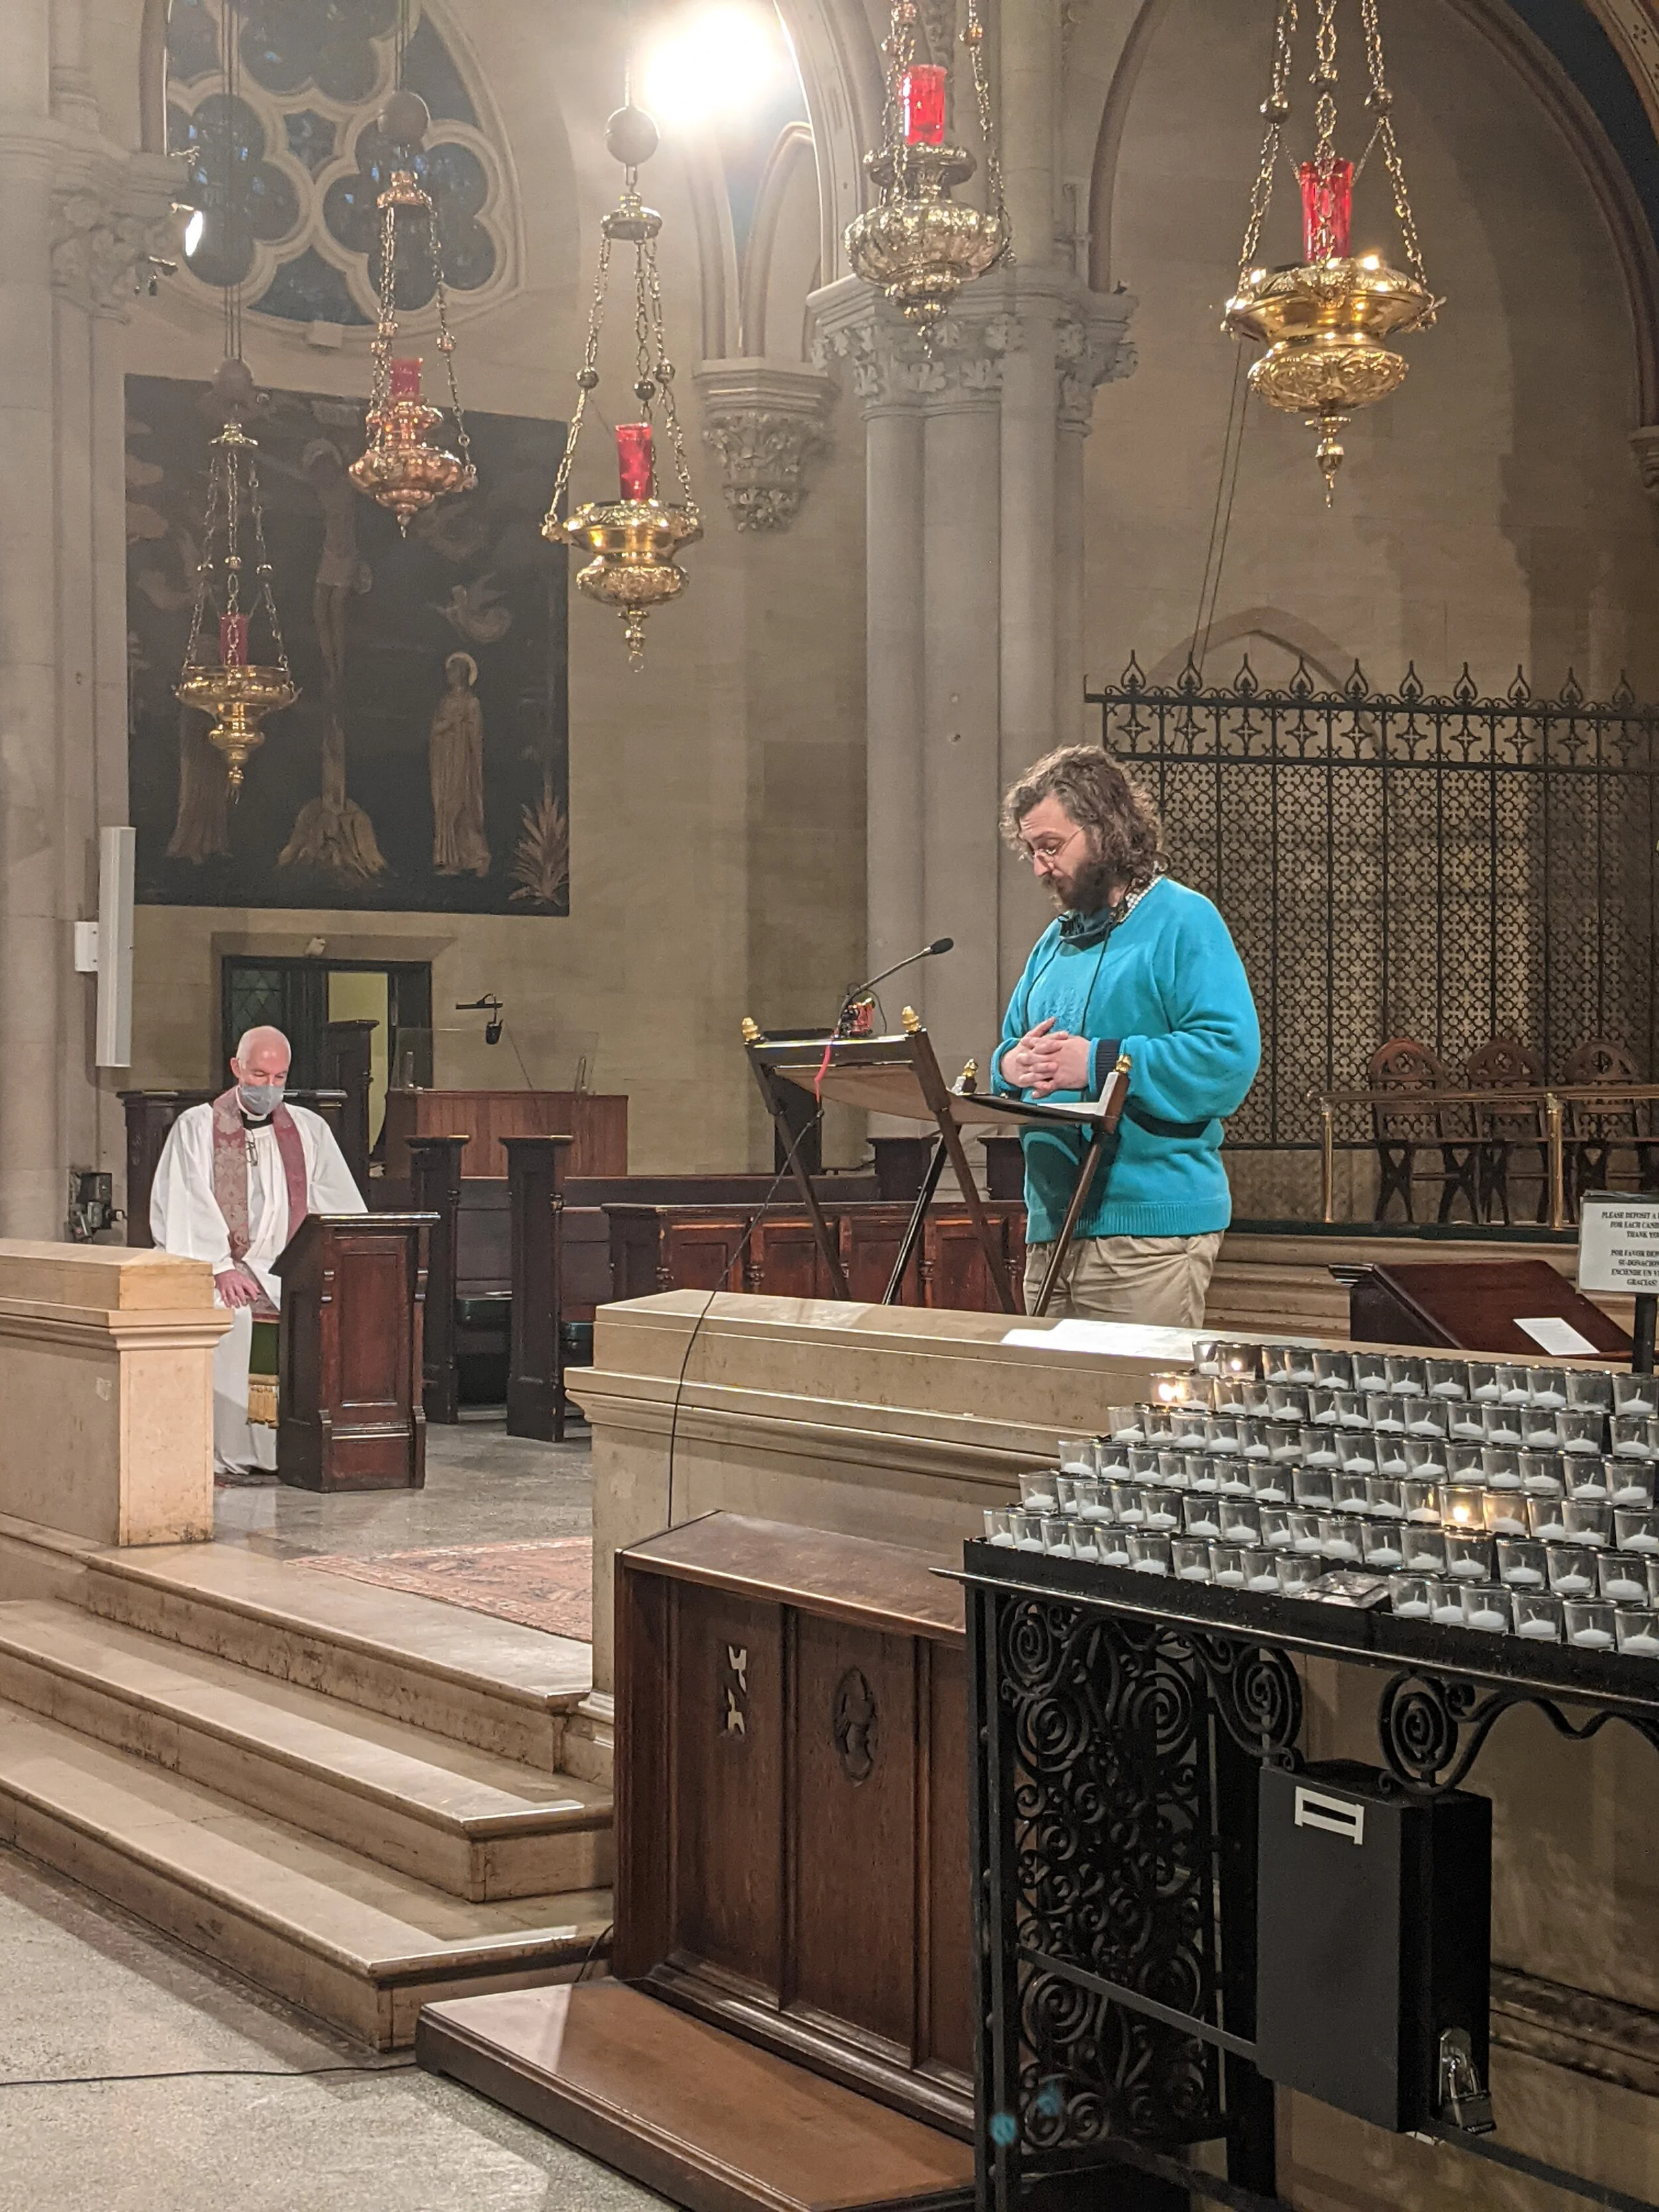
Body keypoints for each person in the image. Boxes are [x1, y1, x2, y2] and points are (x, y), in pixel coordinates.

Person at [992, 745, 1260, 1327]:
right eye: (1032, 851)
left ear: (1105, 828)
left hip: (1146, 1234)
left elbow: (1226, 1058)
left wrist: (1100, 1061)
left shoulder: (1184, 920)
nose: (1040, 868)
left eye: (1051, 847)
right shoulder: (1054, 943)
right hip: (1052, 1229)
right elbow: (1012, 1048)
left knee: (1135, 1411)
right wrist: (1011, 1067)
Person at [151, 1026, 366, 1477]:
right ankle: (229, 1452)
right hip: (220, 1269)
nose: (269, 1087)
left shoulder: (309, 1130)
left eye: (279, 1076)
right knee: (237, 1319)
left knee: (321, 1314)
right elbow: (184, 1203)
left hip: (290, 1268)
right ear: (236, 1069)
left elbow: (340, 1208)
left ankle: (289, 1450)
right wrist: (220, 1266)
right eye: (259, 1074)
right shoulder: (197, 1127)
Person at [429, 650, 492, 877]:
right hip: (444, 764)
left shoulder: (472, 703)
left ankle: (478, 857)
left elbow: (476, 738)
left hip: (463, 764)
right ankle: (451, 860)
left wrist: (461, 727)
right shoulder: (445, 702)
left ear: (464, 674)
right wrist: (450, 724)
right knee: (445, 809)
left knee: (463, 808)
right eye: (449, 671)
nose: (450, 675)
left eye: (455, 671)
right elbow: (435, 731)